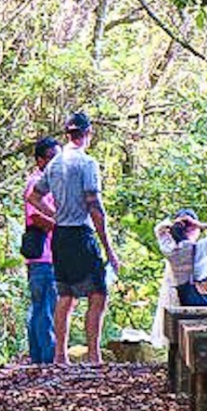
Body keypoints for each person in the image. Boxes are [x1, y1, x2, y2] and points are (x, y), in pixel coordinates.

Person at [27, 111, 122, 365]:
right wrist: (109, 250)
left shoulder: (55, 163)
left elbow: (34, 197)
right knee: (98, 293)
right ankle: (94, 355)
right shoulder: (87, 163)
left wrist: (56, 215)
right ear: (88, 134)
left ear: (67, 135)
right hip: (81, 233)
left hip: (60, 236)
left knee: (65, 295)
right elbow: (95, 206)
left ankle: (60, 355)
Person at [23, 136, 59, 365]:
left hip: (50, 255)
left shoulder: (53, 184)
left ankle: (40, 358)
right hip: (44, 256)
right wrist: (63, 227)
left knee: (41, 307)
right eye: (51, 158)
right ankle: (45, 358)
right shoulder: (37, 183)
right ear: (40, 161)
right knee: (45, 308)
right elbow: (35, 216)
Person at [156, 209, 207, 307]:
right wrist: (200, 224)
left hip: (186, 299)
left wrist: (173, 225)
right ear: (196, 229)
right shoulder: (201, 248)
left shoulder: (169, 250)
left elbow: (159, 231)